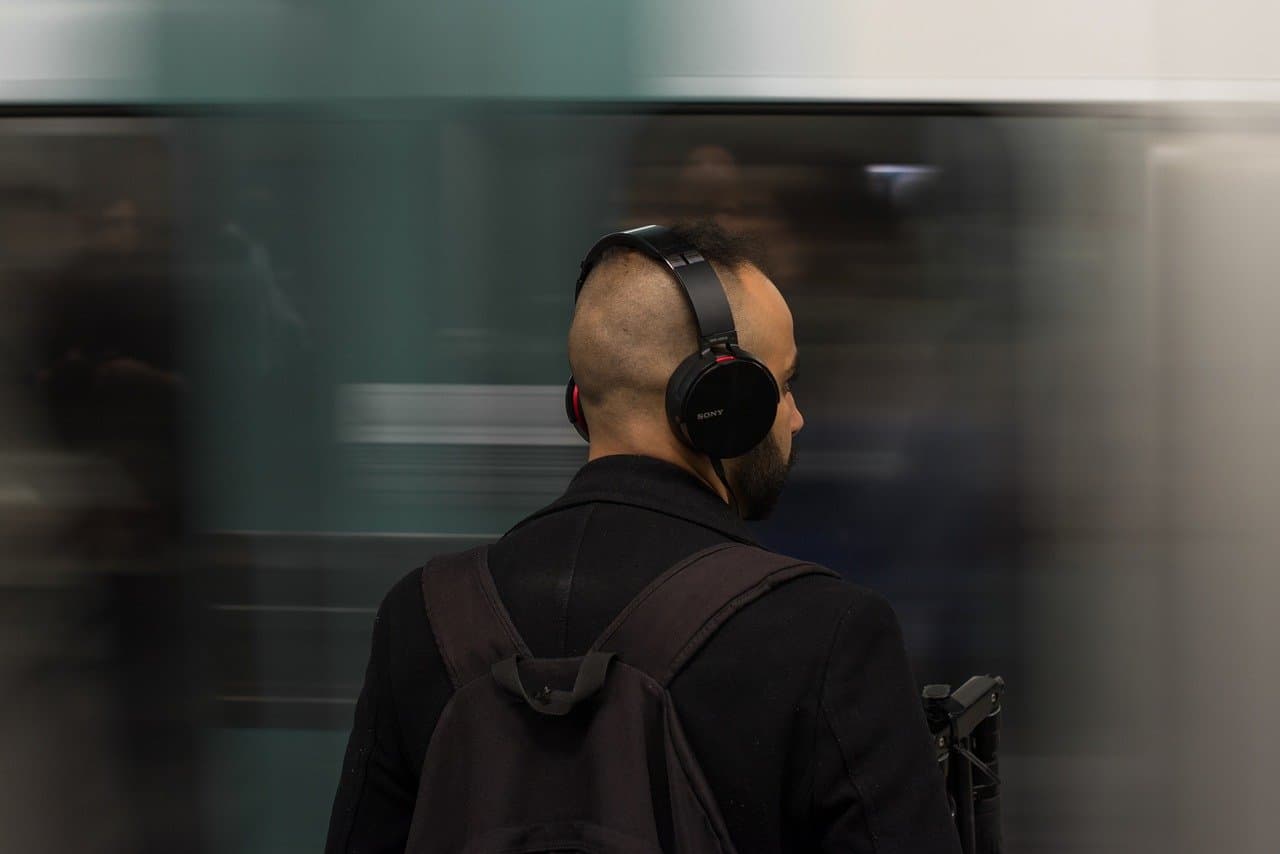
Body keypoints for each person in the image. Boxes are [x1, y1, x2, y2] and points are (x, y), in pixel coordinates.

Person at [325, 221, 960, 853]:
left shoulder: (423, 617)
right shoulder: (828, 632)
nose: (796, 416)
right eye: (783, 384)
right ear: (722, 401)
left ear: (581, 400)